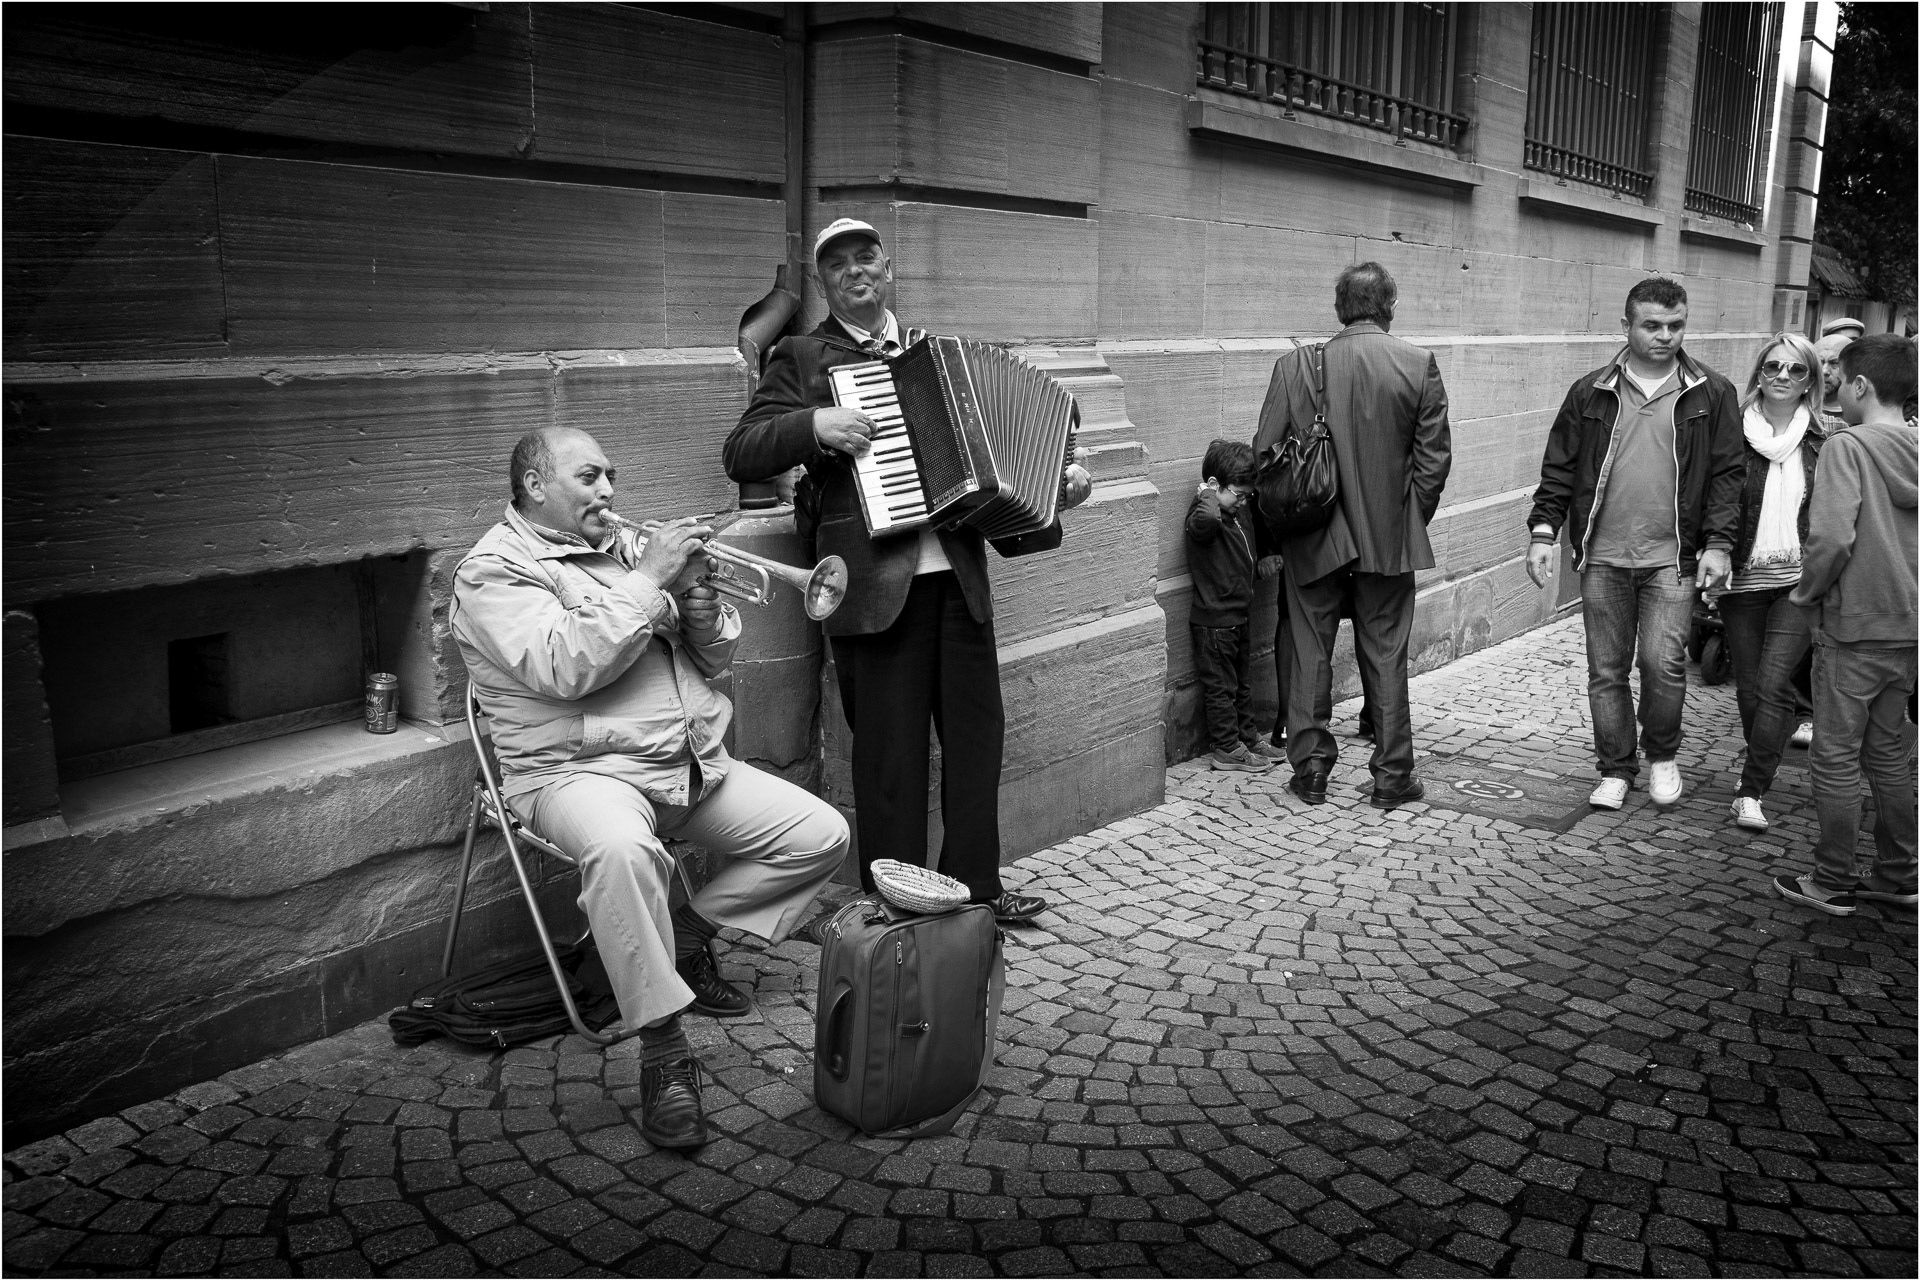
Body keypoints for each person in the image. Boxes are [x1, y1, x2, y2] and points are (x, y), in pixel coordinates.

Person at [451, 427, 849, 1149]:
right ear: (536, 484)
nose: (608, 490)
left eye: (611, 475)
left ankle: (687, 936)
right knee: (622, 850)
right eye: (589, 476)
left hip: (683, 762)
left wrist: (699, 610)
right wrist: (650, 582)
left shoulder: (623, 548)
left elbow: (714, 660)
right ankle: (664, 1051)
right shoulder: (492, 572)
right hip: (575, 774)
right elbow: (563, 665)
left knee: (820, 836)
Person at [724, 219, 1092, 923]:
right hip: (871, 593)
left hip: (957, 581)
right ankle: (896, 902)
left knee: (977, 743)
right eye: (838, 264)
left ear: (888, 268)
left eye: (867, 257)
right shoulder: (803, 355)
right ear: (823, 280)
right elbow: (741, 450)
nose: (855, 271)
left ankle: (977, 889)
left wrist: (1056, 488)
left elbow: (1001, 464)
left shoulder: (938, 354)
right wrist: (814, 426)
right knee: (890, 763)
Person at [1526, 277, 1743, 810]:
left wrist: (1719, 543)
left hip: (1673, 557)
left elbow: (1727, 475)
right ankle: (1616, 767)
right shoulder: (1590, 391)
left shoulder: (1712, 394)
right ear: (1626, 325)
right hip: (1602, 555)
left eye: (1676, 326)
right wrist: (1543, 531)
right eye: (1652, 325)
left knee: (1662, 664)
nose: (1665, 336)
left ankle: (1663, 754)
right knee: (1607, 668)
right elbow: (1560, 469)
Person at [1256, 262, 1452, 809]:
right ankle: (1392, 776)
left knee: (1308, 649)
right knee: (1387, 654)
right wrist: (1406, 521)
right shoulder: (1417, 364)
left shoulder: (1295, 366)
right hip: (1387, 539)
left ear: (1340, 308)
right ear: (1389, 306)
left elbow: (1262, 453)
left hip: (1313, 536)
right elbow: (1433, 462)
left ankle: (1312, 771)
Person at [1773, 334, 1918, 916]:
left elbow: (1832, 537)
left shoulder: (1846, 447)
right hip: (1907, 629)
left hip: (1851, 627)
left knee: (1834, 754)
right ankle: (1898, 874)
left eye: (1838, 378)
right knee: (1889, 755)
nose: (1833, 386)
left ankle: (1832, 877)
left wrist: (1805, 597)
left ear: (1860, 386)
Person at [1716, 334, 1827, 832]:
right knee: (1749, 691)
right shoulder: (1729, 433)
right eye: (1773, 366)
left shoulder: (1826, 440)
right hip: (1742, 579)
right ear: (1759, 372)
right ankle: (1763, 752)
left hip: (1798, 582)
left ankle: (1750, 789)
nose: (1783, 376)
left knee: (1772, 683)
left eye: (1796, 370)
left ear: (1810, 381)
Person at [1186, 439, 1283, 771]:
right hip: (1213, 622)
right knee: (1221, 689)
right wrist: (1209, 494)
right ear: (1214, 486)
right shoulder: (1205, 514)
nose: (1243, 502)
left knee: (1242, 685)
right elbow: (1207, 522)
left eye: (1247, 496)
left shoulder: (1236, 514)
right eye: (1238, 495)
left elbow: (1241, 555)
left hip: (1237, 616)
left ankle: (1248, 738)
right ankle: (1227, 747)